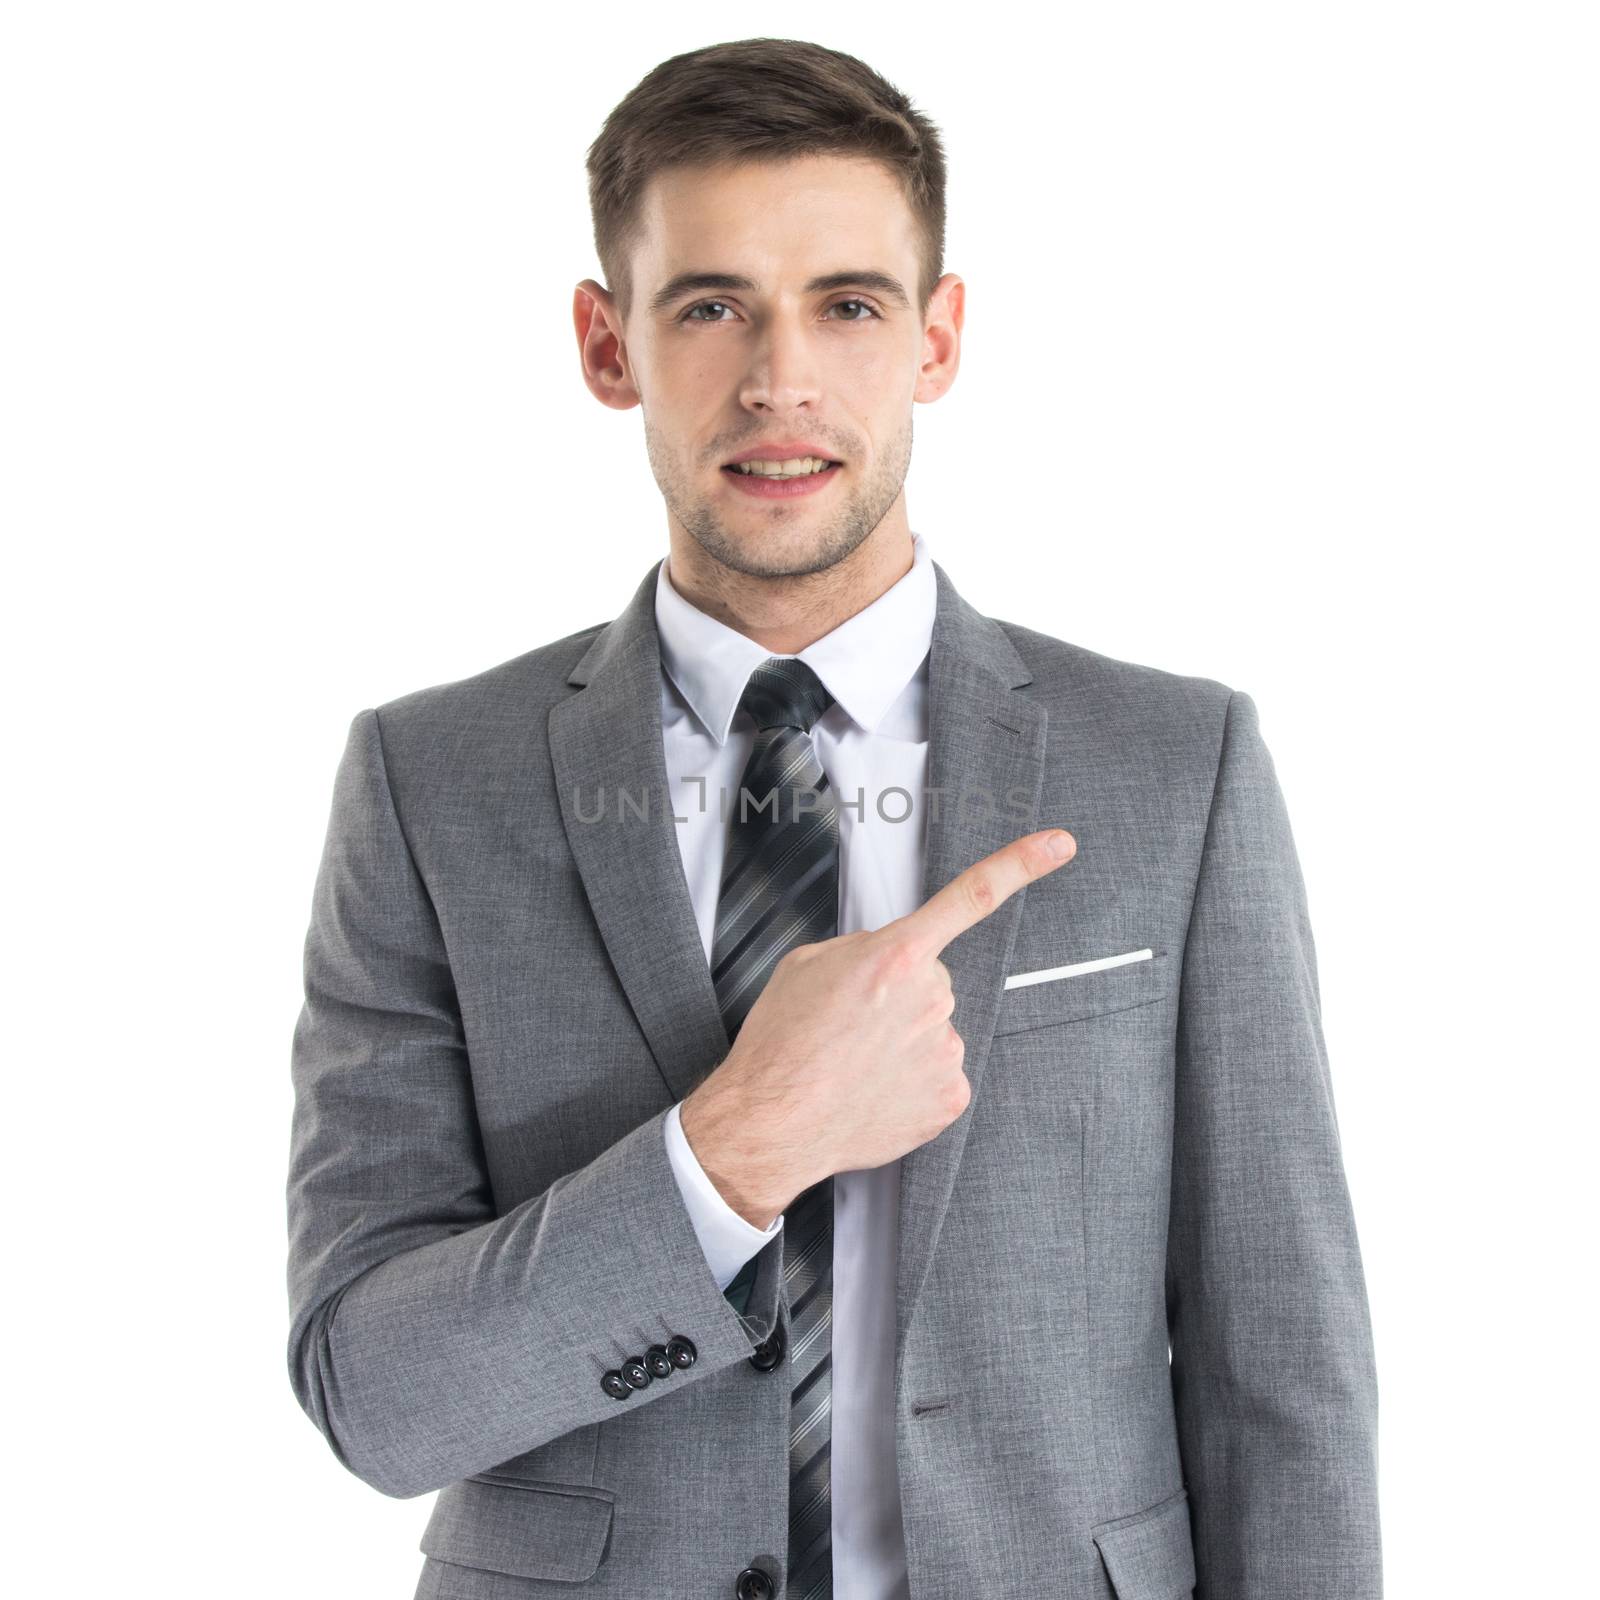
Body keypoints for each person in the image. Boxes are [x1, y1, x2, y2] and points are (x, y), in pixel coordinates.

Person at [285, 37, 1382, 1600]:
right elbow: (375, 1398)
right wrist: (730, 1154)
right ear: (609, 346)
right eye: (711, 304)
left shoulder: (1176, 765)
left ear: (938, 338)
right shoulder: (427, 785)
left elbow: (1288, 1384)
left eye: (849, 306)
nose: (779, 379)